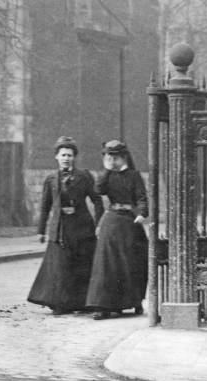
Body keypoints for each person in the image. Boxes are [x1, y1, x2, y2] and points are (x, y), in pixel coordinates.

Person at [28, 136, 104, 315]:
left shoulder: (84, 176)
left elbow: (97, 200)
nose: (66, 158)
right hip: (59, 229)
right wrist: (41, 231)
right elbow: (45, 206)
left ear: (74, 157)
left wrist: (98, 224)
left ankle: (83, 303)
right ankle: (60, 304)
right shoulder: (51, 179)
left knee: (81, 266)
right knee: (60, 268)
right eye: (63, 155)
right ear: (56, 156)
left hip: (81, 228)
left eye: (69, 155)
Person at [86, 140, 148, 320]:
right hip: (112, 220)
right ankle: (102, 305)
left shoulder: (134, 176)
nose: (112, 160)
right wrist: (106, 170)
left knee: (130, 263)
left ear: (124, 157)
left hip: (130, 221)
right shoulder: (107, 175)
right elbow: (98, 190)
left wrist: (143, 213)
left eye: (115, 157)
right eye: (109, 157)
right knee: (106, 264)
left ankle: (132, 302)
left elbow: (142, 197)